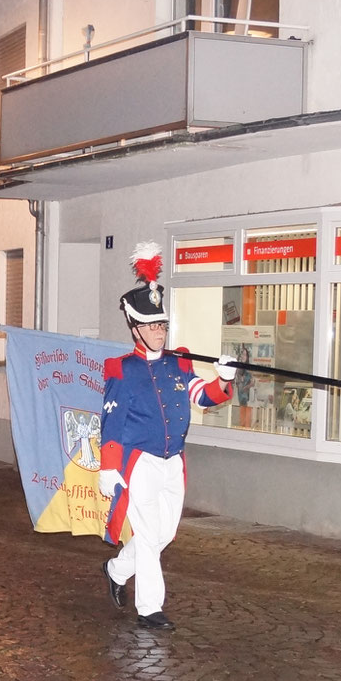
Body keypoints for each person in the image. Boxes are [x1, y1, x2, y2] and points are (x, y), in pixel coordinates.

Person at [97, 244, 234, 631]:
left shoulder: (180, 362)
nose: (160, 332)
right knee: (147, 532)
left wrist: (223, 379)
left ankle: (116, 569)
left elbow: (202, 397)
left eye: (163, 325)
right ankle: (149, 608)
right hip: (139, 461)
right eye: (153, 326)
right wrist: (109, 468)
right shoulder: (121, 370)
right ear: (136, 328)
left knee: (162, 535)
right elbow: (111, 420)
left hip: (174, 459)